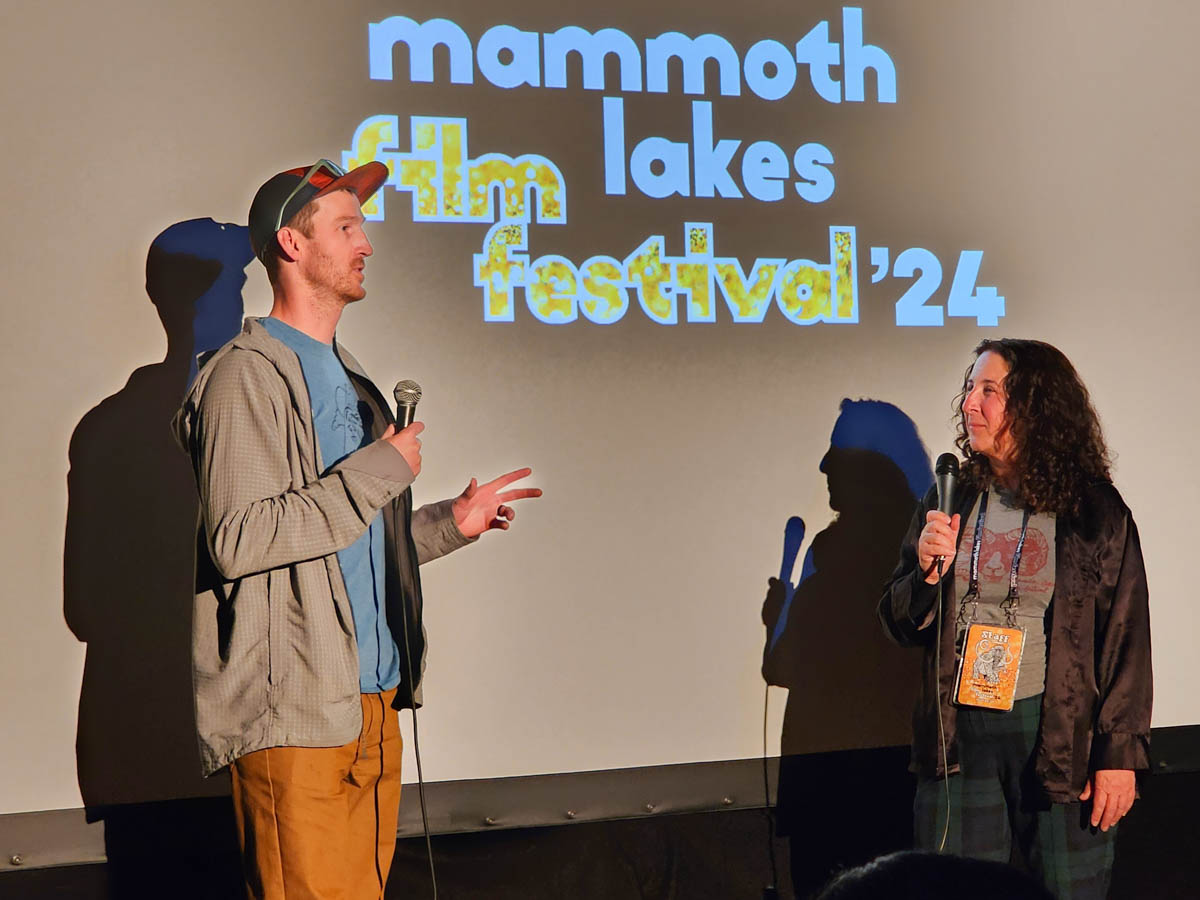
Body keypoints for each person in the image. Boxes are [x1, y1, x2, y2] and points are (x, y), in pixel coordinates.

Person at [173, 159, 541, 899]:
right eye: (346, 228)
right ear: (292, 243)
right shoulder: (245, 375)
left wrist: (445, 524)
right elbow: (239, 539)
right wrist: (378, 471)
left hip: (372, 706)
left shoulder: (348, 375)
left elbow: (344, 543)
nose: (365, 244)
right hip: (294, 716)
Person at [878, 339, 1151, 899]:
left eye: (989, 390)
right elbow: (898, 620)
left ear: (1034, 404)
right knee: (950, 890)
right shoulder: (951, 496)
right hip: (958, 737)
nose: (968, 404)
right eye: (969, 388)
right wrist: (925, 578)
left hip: (1054, 737)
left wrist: (1119, 756)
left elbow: (1126, 636)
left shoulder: (1091, 508)